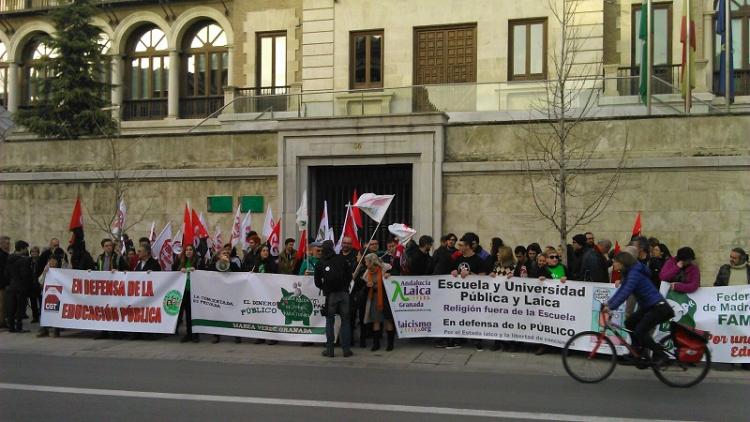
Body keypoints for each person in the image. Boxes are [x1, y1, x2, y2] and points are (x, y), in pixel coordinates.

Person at [602, 252, 674, 364]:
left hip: (659, 307)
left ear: (622, 262)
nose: (613, 264)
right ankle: (636, 352)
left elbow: (626, 292)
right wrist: (608, 303)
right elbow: (621, 290)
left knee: (640, 331)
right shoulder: (629, 272)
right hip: (649, 306)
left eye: (615, 262)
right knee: (630, 323)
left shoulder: (634, 273)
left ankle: (661, 355)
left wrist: (611, 307)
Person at [314, 240, 353, 358]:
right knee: (345, 321)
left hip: (331, 295)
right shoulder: (342, 259)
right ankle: (346, 350)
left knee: (329, 321)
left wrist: (325, 288)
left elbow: (317, 281)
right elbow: (349, 275)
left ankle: (330, 350)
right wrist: (345, 286)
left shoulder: (320, 262)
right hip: (344, 293)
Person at [361, 253, 396, 351]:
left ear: (372, 262)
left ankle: (390, 344)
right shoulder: (366, 273)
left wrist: (390, 274)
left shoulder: (385, 268)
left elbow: (395, 273)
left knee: (388, 320)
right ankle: (376, 344)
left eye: (366, 262)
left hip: (385, 298)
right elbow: (364, 288)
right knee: (376, 321)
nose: (365, 264)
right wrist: (367, 286)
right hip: (374, 298)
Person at [211, 249, 242, 344]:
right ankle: (216, 335)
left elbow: (241, 273)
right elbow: (208, 273)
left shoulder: (233, 264)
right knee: (218, 314)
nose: (226, 255)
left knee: (234, 314)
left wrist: (230, 264)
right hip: (219, 293)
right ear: (219, 256)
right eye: (224, 253)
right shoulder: (214, 265)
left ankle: (237, 335)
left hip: (232, 293)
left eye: (227, 253)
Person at [4, 240, 34, 333]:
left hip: (11, 286)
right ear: (22, 248)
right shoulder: (24, 260)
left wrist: (9, 283)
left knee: (11, 307)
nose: (26, 250)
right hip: (21, 287)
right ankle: (19, 327)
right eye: (26, 248)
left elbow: (6, 273)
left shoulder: (9, 258)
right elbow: (26, 275)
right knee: (20, 308)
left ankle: (11, 327)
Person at [177, 244, 202, 343]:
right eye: (186, 250)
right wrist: (180, 269)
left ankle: (196, 335)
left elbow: (203, 271)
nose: (188, 251)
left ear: (193, 251)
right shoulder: (182, 261)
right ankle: (189, 334)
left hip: (195, 290)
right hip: (185, 290)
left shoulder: (198, 261)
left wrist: (196, 270)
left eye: (190, 250)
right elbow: (175, 271)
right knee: (187, 313)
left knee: (195, 313)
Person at [37, 255, 62, 338]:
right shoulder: (47, 270)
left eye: (54, 260)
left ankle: (56, 330)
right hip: (47, 295)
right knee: (44, 312)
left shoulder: (61, 271)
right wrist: (45, 272)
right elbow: (40, 281)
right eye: (50, 260)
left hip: (57, 295)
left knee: (56, 311)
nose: (52, 262)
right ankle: (44, 329)